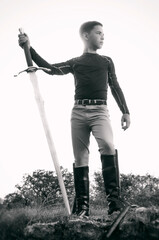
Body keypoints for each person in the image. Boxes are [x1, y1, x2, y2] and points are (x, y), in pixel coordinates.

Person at [18, 21, 130, 218]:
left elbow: (115, 86)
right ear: (86, 36)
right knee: (80, 158)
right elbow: (51, 69)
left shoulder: (106, 61)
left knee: (108, 146)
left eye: (103, 33)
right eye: (99, 33)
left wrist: (125, 111)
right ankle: (82, 209)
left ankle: (114, 204)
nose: (103, 36)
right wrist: (29, 48)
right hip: (78, 112)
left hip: (100, 111)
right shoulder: (76, 62)